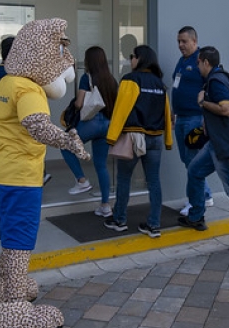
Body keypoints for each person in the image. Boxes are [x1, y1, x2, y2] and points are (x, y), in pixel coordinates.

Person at [0, 18, 89, 328]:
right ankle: (15, 313)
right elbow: (37, 126)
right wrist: (70, 141)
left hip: (4, 173)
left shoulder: (5, 83)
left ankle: (1, 287)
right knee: (20, 241)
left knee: (10, 233)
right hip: (22, 178)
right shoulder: (29, 89)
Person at [177, 46, 229, 253]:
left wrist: (203, 103)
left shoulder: (216, 81)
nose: (196, 65)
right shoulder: (218, 78)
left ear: (206, 62)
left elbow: (227, 108)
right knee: (195, 171)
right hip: (218, 143)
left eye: (198, 62)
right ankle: (196, 216)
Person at [104, 45, 172, 238]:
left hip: (133, 138)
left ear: (139, 59)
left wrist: (112, 136)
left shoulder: (130, 79)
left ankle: (119, 219)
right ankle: (154, 224)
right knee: (154, 181)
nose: (130, 59)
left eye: (131, 56)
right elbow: (167, 114)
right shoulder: (160, 84)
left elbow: (121, 109)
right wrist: (168, 140)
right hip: (156, 139)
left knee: (124, 178)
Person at [61, 46, 118, 214]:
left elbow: (79, 104)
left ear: (89, 61)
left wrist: (74, 103)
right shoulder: (111, 79)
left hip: (92, 122)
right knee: (101, 165)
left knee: (65, 145)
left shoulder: (87, 78)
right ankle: (106, 205)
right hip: (107, 124)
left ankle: (82, 180)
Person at [171, 26, 213, 216]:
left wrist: (206, 116)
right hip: (181, 117)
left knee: (193, 161)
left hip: (195, 118)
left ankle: (195, 202)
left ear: (194, 42)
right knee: (188, 160)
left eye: (184, 41)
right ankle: (205, 195)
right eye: (179, 41)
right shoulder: (182, 60)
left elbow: (210, 87)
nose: (180, 45)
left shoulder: (201, 61)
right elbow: (177, 85)